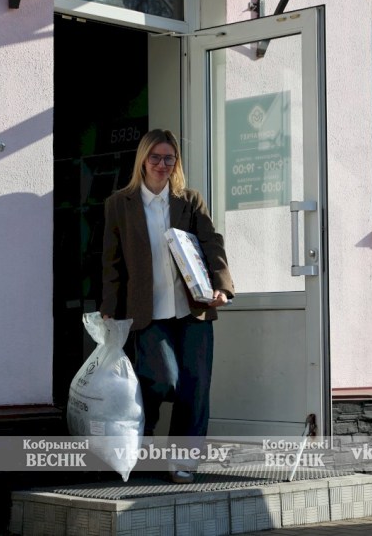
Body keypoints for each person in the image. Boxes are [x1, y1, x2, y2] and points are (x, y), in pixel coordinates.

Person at [100, 129, 234, 483]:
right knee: (162, 379)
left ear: (176, 163)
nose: (162, 164)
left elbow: (212, 244)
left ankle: (183, 462)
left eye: (169, 158)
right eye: (155, 157)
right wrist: (109, 307)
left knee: (195, 386)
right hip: (147, 312)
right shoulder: (120, 203)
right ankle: (143, 444)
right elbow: (111, 262)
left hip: (192, 309)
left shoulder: (189, 201)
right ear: (142, 160)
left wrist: (221, 287)